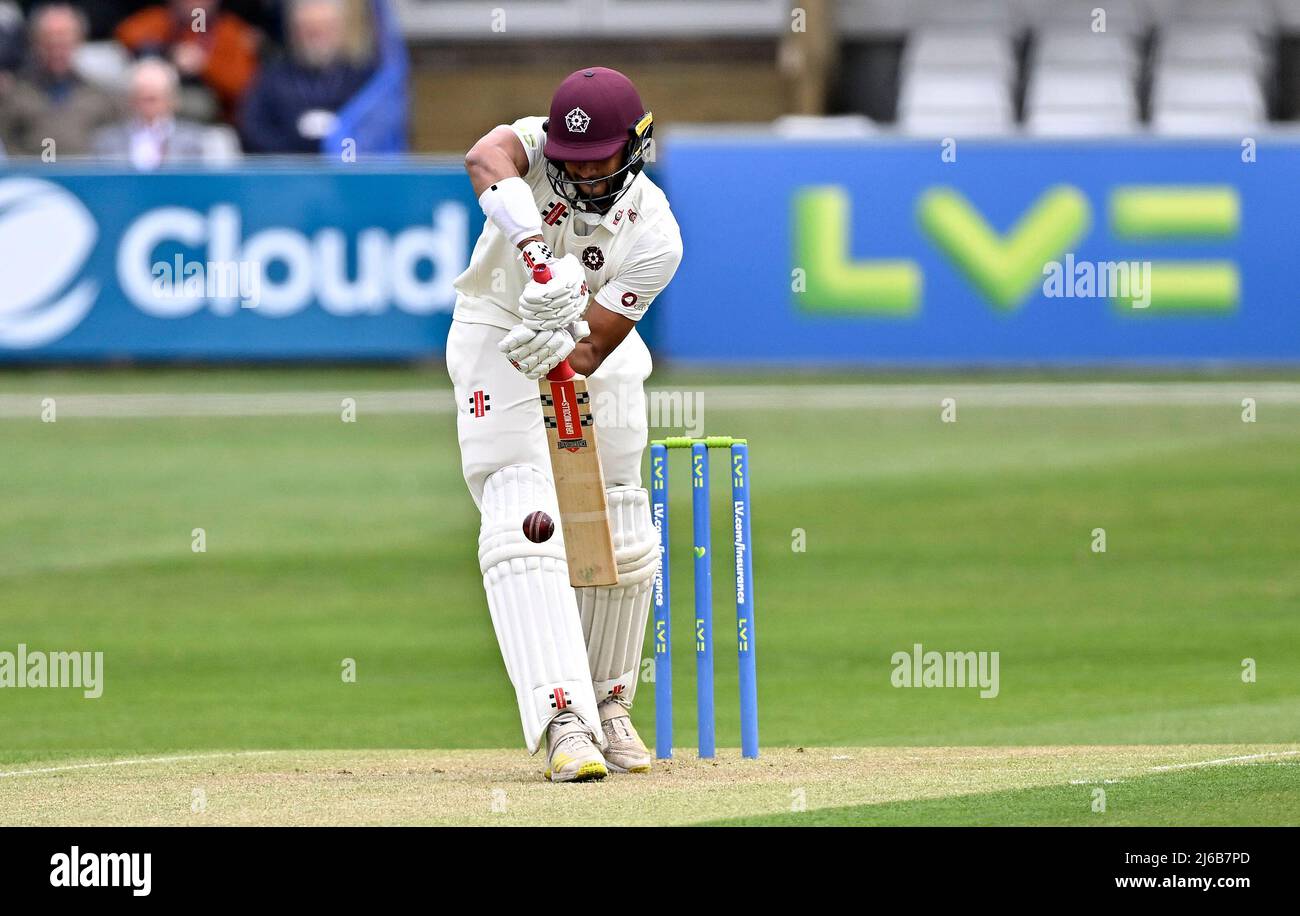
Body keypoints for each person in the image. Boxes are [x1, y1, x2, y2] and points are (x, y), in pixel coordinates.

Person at [449, 67, 682, 782]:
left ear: (636, 150)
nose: (581, 176)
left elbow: (592, 348)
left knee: (623, 518)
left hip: (579, 340)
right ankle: (562, 720)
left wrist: (561, 342)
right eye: (570, 161)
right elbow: (483, 159)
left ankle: (608, 703)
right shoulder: (530, 145)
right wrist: (533, 260)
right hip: (498, 326)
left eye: (600, 161)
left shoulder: (656, 235)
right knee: (525, 512)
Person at [238, 0, 371, 154]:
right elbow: (252, 128)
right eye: (309, 30)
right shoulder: (273, 79)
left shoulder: (361, 79)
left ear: (339, 29)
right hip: (287, 171)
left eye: (324, 29)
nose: (316, 38)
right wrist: (295, 153)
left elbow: (374, 130)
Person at [0, 3, 118, 156]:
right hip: (29, 176)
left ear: (78, 40)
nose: (56, 49)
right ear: (35, 42)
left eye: (63, 41)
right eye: (49, 40)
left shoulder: (101, 96)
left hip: (86, 175)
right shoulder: (13, 94)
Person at [115, 0, 259, 122]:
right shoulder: (163, 19)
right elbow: (126, 33)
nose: (193, 2)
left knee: (199, 105)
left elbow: (242, 86)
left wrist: (204, 65)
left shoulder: (228, 31)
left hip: (208, 113)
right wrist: (169, 52)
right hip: (153, 102)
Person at [92, 57, 235, 168]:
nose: (148, 105)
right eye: (142, 98)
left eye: (154, 98)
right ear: (131, 100)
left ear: (172, 99)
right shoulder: (107, 142)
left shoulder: (197, 141)